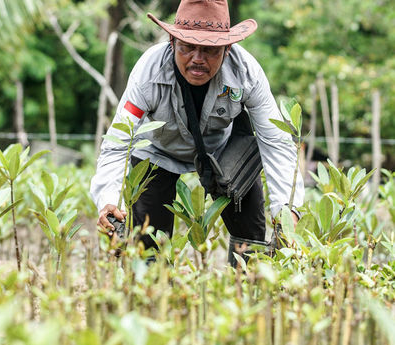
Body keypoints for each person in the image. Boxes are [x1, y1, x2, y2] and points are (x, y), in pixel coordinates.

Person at [90, 0, 303, 264]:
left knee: (252, 241)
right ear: (172, 41)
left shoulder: (246, 72)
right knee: (148, 246)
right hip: (155, 151)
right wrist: (107, 199)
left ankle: (250, 292)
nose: (198, 59)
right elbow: (118, 142)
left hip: (222, 151)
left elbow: (276, 140)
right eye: (188, 47)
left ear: (227, 49)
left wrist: (287, 208)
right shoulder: (148, 71)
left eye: (210, 50)